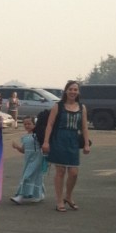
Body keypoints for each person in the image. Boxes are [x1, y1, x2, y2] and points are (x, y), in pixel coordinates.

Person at [41, 80, 90, 212]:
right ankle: (59, 200)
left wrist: (86, 143)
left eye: (75, 89)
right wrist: (46, 142)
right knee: (60, 171)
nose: (73, 92)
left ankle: (68, 196)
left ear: (78, 92)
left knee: (74, 173)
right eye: (70, 89)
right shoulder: (58, 106)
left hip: (73, 140)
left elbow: (84, 127)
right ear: (66, 91)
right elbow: (50, 125)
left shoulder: (82, 107)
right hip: (59, 139)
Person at [10, 117, 45, 203]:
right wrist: (16, 147)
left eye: (29, 124)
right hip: (28, 160)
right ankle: (39, 194)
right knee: (36, 177)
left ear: (34, 124)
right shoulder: (24, 137)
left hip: (37, 158)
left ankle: (21, 196)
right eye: (25, 124)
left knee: (27, 176)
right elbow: (23, 150)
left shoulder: (38, 135)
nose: (27, 126)